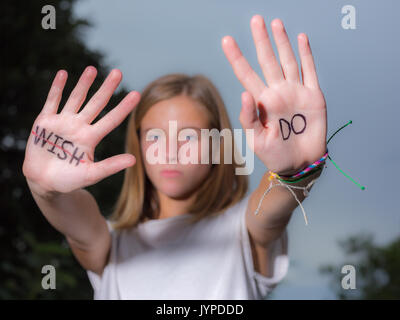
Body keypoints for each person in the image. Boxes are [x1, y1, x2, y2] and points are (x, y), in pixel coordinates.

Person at [22, 15, 327, 299]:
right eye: (155, 136)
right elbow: (75, 218)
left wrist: (296, 169)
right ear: (138, 144)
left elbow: (271, 209)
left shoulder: (242, 230)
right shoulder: (111, 244)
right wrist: (45, 188)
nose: (169, 151)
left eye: (189, 137)